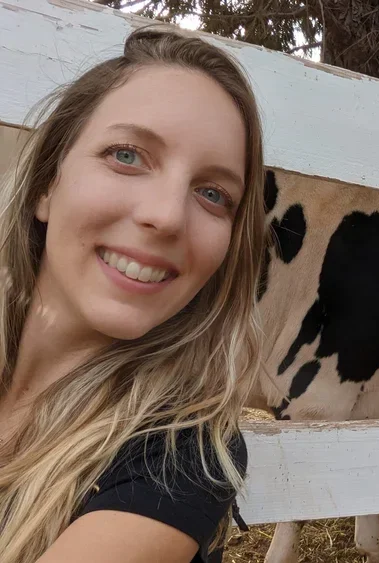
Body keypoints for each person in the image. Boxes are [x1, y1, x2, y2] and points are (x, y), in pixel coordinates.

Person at [0, 25, 266, 563]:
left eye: (212, 194)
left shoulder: (181, 457)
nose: (167, 216)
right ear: (47, 184)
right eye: (127, 155)